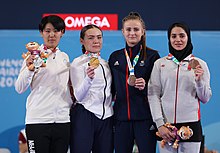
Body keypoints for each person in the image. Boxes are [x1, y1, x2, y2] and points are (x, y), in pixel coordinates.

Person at [148, 22, 212, 153]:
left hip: (191, 127)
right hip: (166, 128)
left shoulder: (201, 64)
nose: (178, 40)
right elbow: (153, 95)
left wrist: (199, 81)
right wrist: (159, 125)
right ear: (169, 39)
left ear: (188, 37)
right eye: (174, 36)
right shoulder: (159, 64)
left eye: (182, 36)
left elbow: (205, 98)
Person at [15, 15, 72, 153]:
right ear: (41, 32)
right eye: (48, 31)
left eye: (56, 30)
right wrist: (31, 69)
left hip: (62, 121)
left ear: (62, 32)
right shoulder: (32, 56)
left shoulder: (64, 57)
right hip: (38, 120)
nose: (52, 35)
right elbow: (19, 88)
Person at [108, 12, 160, 153]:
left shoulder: (152, 56)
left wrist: (146, 85)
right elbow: (110, 90)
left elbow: (158, 89)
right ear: (122, 32)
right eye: (128, 29)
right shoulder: (115, 57)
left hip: (145, 118)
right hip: (121, 118)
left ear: (143, 32)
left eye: (136, 29)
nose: (132, 33)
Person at [69, 24, 114, 153]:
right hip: (85, 114)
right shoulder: (78, 63)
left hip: (107, 117)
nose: (96, 41)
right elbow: (78, 96)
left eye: (99, 37)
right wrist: (88, 79)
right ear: (82, 41)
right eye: (91, 38)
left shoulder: (106, 64)